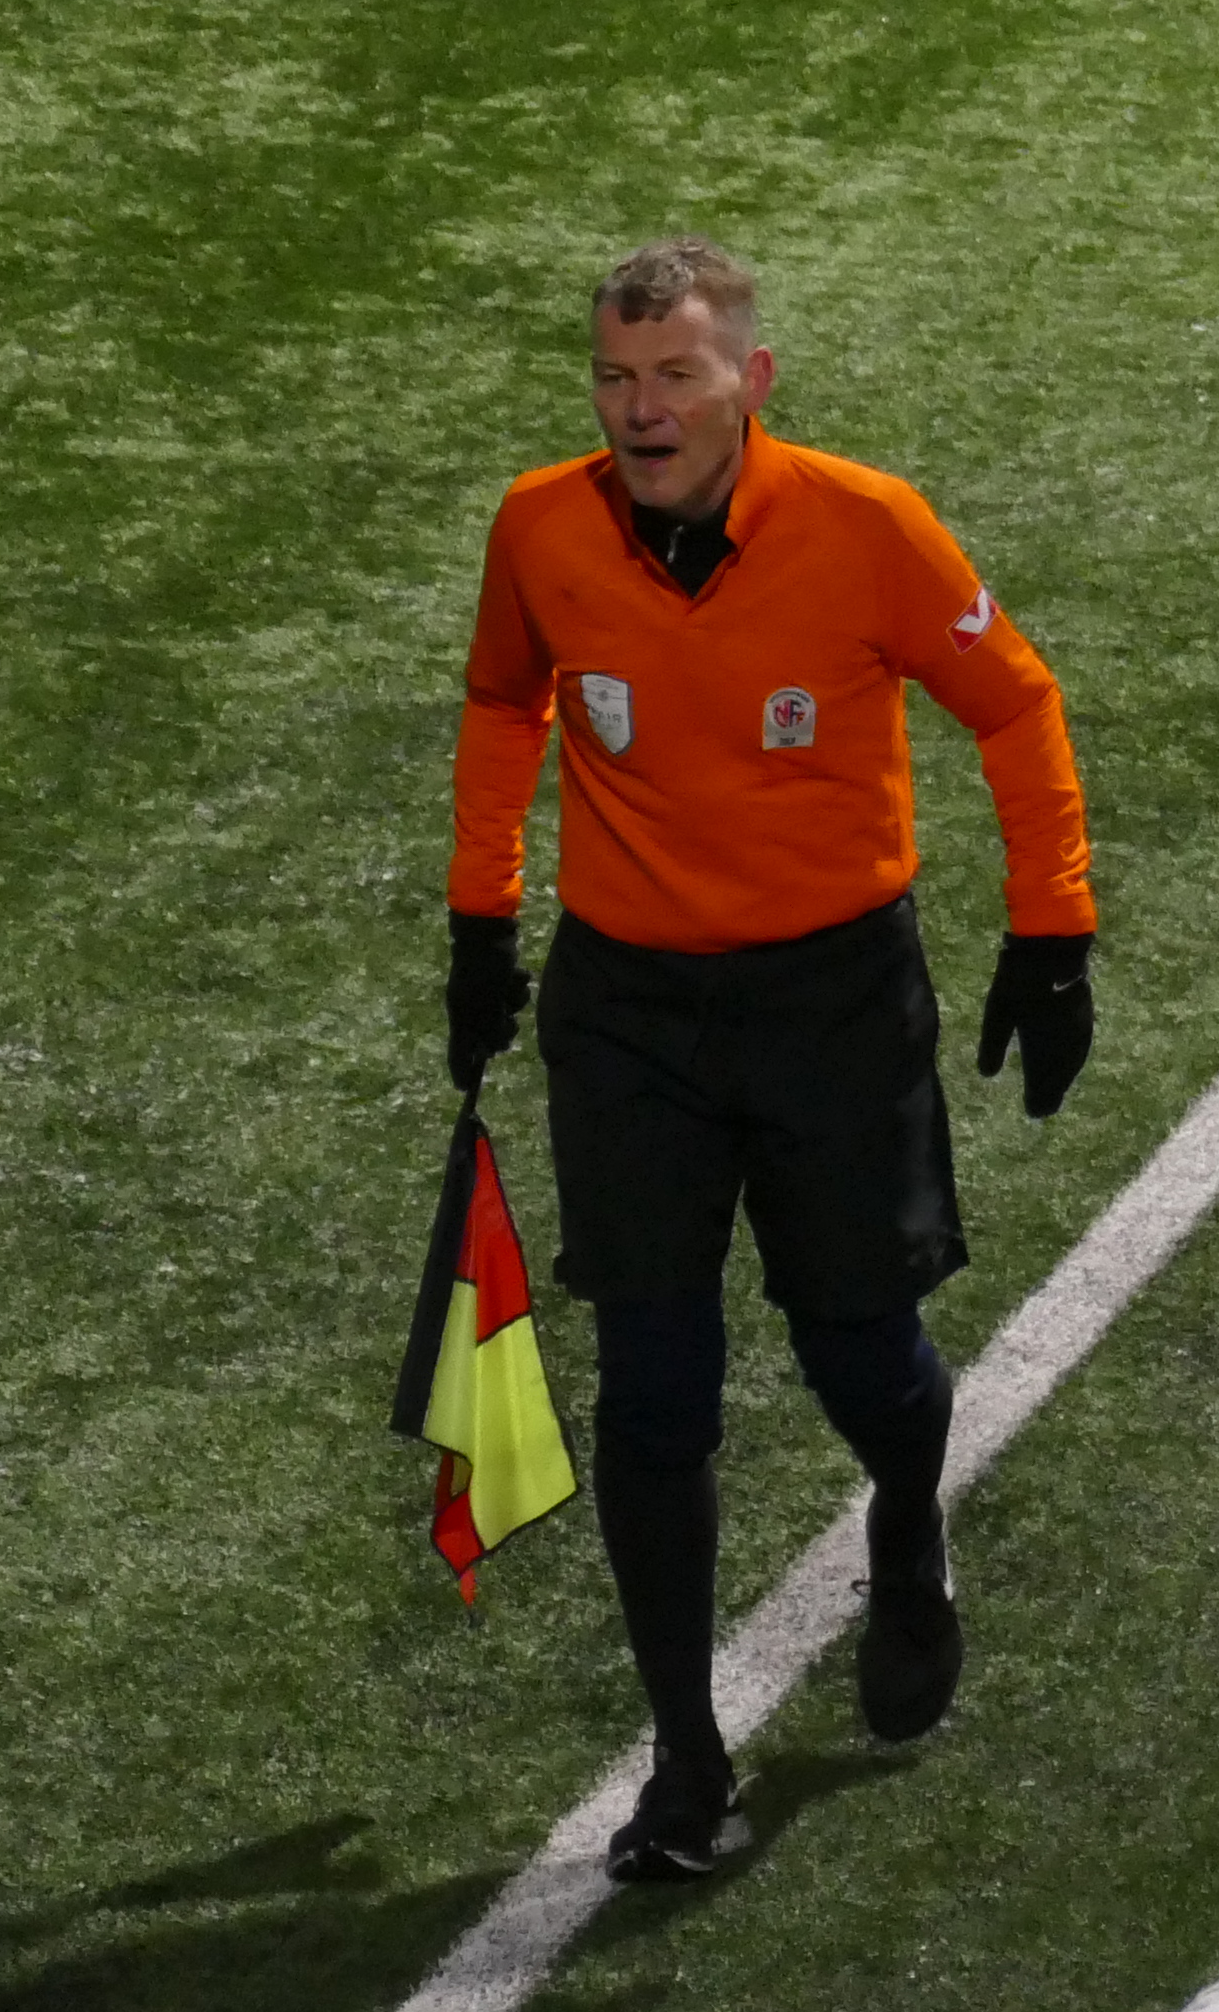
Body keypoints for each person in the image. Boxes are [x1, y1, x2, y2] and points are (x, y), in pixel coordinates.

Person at [439, 237, 1104, 1883]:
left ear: (752, 380)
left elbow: (1013, 707)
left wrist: (1052, 929)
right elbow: (502, 703)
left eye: (673, 375)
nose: (640, 409)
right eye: (613, 377)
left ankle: (906, 1533)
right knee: (653, 1394)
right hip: (629, 1015)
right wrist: (479, 926)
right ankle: (684, 1759)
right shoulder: (540, 526)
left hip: (830, 1004)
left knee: (862, 1362)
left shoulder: (868, 526)